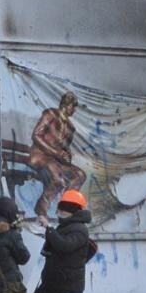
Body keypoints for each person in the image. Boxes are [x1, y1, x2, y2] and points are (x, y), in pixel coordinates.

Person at [29, 92, 87, 222]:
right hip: (40, 155)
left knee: (80, 175)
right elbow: (36, 135)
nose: (74, 110)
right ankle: (41, 208)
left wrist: (67, 156)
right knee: (59, 178)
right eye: (73, 106)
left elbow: (65, 149)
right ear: (66, 105)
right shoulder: (50, 114)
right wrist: (56, 153)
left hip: (56, 161)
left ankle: (66, 209)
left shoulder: (71, 128)